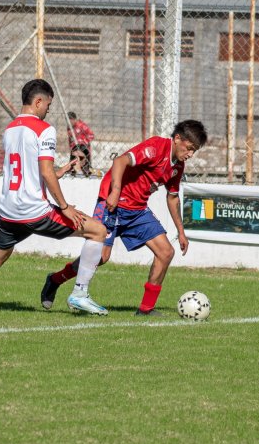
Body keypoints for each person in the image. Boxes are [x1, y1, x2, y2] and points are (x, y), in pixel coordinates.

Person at [0, 79, 110, 315]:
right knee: (98, 231)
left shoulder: (11, 128)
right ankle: (79, 294)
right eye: (48, 105)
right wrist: (64, 207)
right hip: (35, 212)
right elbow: (44, 171)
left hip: (10, 212)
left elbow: (31, 172)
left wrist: (59, 172)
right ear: (38, 101)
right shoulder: (45, 130)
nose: (48, 110)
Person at [42, 120, 209, 317]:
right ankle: (55, 280)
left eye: (194, 151)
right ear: (177, 138)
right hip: (112, 203)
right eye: (189, 148)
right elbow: (119, 161)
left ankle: (146, 309)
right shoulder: (156, 147)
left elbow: (172, 198)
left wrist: (181, 232)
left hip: (137, 210)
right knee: (101, 257)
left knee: (165, 252)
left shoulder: (177, 166)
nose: (190, 154)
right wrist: (115, 191)